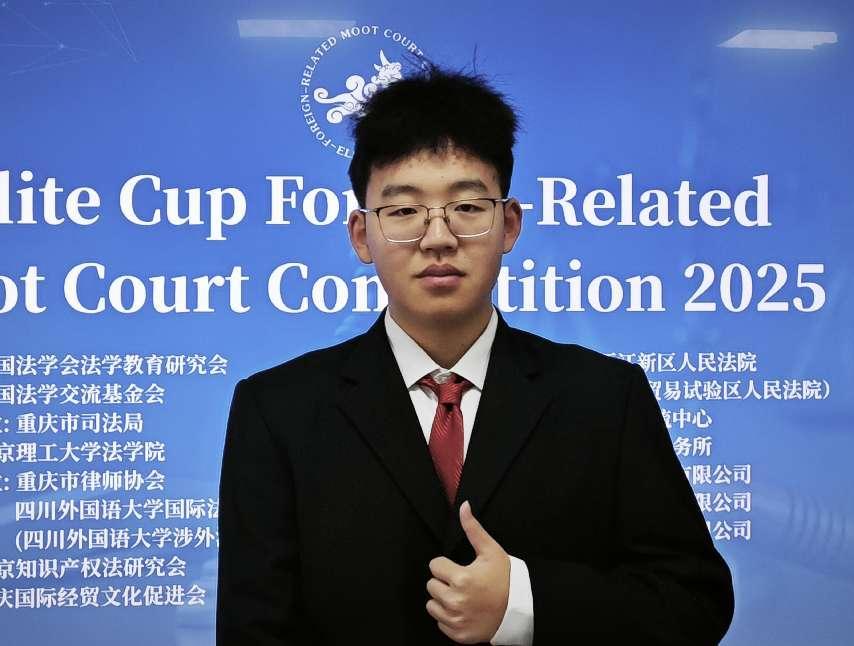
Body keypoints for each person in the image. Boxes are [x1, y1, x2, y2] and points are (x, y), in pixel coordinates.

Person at [216, 58, 735, 645]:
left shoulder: (605, 398)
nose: (438, 238)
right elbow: (252, 631)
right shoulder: (278, 411)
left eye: (466, 207)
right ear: (362, 235)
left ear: (509, 225)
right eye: (404, 210)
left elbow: (693, 601)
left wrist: (524, 604)